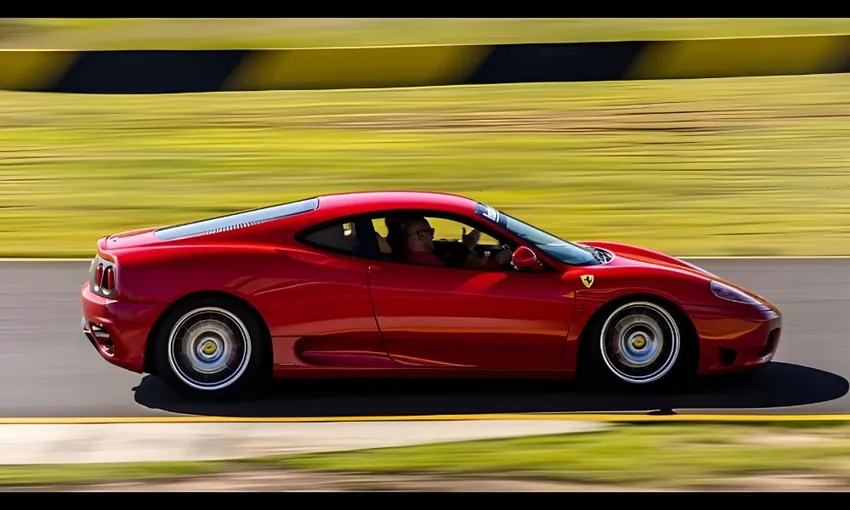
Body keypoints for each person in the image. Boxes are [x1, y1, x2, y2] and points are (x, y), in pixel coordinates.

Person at [401, 217, 511, 268]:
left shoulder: (411, 257)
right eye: (431, 232)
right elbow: (482, 266)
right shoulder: (428, 261)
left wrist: (467, 247)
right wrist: (501, 260)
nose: (433, 236)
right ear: (421, 235)